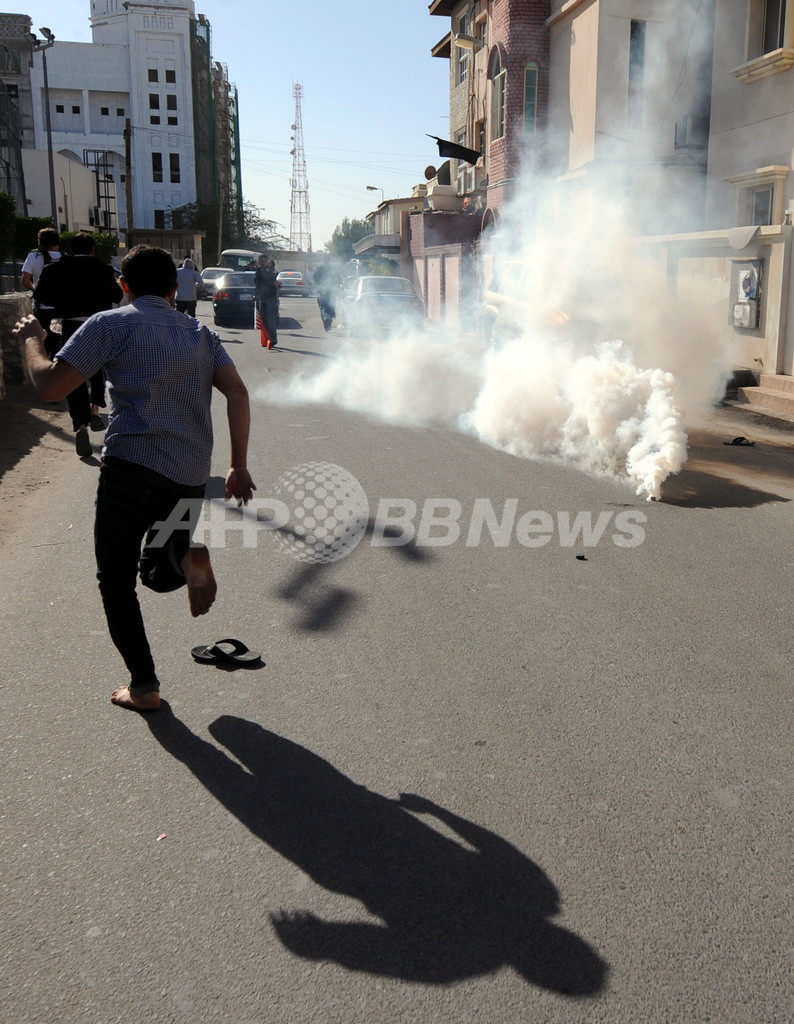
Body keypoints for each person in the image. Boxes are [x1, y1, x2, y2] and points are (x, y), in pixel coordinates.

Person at [14, 245, 256, 713]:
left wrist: (33, 339)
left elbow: (50, 387)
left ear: (124, 286)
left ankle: (144, 686)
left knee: (118, 579)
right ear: (173, 289)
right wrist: (237, 465)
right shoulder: (201, 335)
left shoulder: (111, 324)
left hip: (131, 471)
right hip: (188, 475)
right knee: (158, 571)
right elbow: (237, 392)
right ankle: (185, 557)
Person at [33, 231, 123, 456]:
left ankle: (80, 425)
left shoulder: (55, 269)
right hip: (98, 325)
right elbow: (117, 295)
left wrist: (63, 301)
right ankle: (94, 410)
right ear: (92, 249)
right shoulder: (104, 269)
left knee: (72, 374)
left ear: (72, 249)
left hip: (70, 326)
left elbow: (42, 296)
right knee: (98, 367)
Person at [21, 227, 61, 342]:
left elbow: (25, 281)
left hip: (42, 307)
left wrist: (37, 292)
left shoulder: (34, 256)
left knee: (44, 342)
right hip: (62, 307)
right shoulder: (65, 258)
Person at [254, 255, 280, 347]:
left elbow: (276, 283)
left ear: (267, 262)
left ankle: (273, 338)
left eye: (264, 261)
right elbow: (257, 284)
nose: (262, 263)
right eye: (261, 261)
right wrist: (256, 295)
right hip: (261, 297)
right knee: (263, 319)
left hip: (271, 297)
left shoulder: (271, 271)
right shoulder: (258, 271)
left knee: (270, 318)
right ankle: (267, 339)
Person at [313, 261, 342, 332]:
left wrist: (317, 288)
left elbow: (314, 279)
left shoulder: (319, 270)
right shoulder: (333, 269)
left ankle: (326, 322)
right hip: (331, 293)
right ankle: (328, 322)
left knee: (323, 308)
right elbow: (339, 280)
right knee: (331, 308)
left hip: (322, 292)